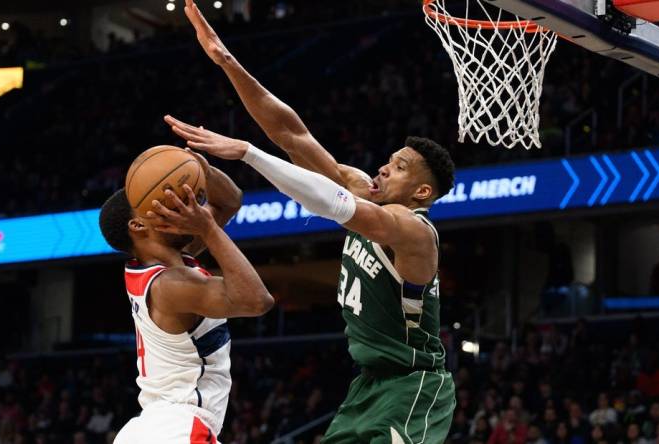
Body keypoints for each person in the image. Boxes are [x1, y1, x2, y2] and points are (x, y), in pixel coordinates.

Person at [167, 2, 457, 442]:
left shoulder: (415, 232)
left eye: (397, 167)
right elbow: (293, 135)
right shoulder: (363, 189)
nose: (381, 169)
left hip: (413, 385)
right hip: (367, 384)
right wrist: (228, 61)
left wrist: (248, 153)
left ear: (422, 192)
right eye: (388, 161)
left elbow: (335, 205)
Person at [98, 150, 274, 443]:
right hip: (177, 427)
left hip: (154, 427)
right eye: (163, 204)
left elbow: (230, 201)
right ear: (138, 225)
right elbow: (257, 300)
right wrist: (207, 226)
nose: (175, 204)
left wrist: (201, 170)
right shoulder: (170, 285)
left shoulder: (168, 262)